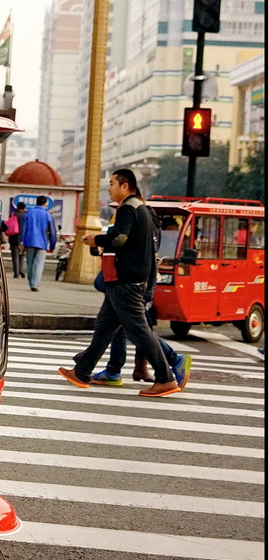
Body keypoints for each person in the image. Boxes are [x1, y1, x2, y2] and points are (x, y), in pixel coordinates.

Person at [59, 169, 181, 398]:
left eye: (112, 183)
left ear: (125, 186)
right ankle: (82, 371)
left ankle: (165, 378)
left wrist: (97, 239)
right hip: (126, 280)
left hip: (127, 281)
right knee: (104, 327)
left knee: (139, 331)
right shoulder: (140, 208)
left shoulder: (128, 208)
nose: (109, 187)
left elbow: (119, 238)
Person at [21, 195, 56, 291]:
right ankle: (34, 284)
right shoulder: (47, 215)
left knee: (30, 263)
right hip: (42, 243)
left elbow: (24, 229)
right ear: (45, 204)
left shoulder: (29, 213)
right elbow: (52, 231)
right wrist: (52, 244)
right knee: (39, 264)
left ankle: (31, 281)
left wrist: (21, 241)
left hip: (29, 241)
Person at [5, 205, 26, 278]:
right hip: (23, 239)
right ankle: (22, 270)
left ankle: (16, 273)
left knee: (15, 257)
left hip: (13, 238)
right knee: (22, 256)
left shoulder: (12, 214)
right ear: (23, 208)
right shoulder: (25, 215)